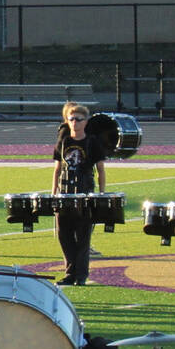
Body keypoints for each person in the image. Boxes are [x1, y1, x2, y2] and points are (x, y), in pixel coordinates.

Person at [51, 103, 107, 287]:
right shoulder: (64, 141)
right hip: (65, 194)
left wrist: (101, 193)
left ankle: (81, 275)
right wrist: (54, 193)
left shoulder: (92, 142)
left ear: (86, 122)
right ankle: (70, 273)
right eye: (71, 119)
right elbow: (57, 169)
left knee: (83, 237)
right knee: (64, 235)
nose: (74, 122)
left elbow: (100, 170)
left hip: (84, 194)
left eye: (78, 119)